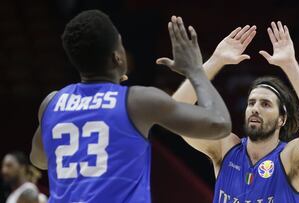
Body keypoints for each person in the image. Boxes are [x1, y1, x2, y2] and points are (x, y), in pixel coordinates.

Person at [29, 10, 232, 203]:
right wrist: (195, 70)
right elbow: (219, 124)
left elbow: (39, 161)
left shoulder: (52, 102)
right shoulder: (136, 101)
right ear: (117, 56)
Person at [169, 22, 299, 202]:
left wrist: (290, 65)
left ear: (281, 119)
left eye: (265, 104)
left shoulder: (290, 160)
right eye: (251, 102)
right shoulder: (226, 148)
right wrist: (216, 61)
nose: (255, 108)